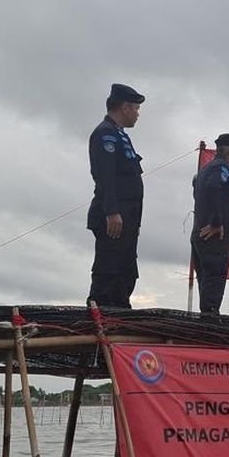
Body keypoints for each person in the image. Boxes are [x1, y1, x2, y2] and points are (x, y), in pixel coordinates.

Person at [87, 83, 145, 308]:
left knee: (126, 269)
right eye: (136, 109)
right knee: (108, 268)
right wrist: (111, 211)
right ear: (125, 107)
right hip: (114, 216)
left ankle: (120, 310)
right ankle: (100, 313)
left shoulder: (119, 135)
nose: (137, 114)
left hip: (129, 216)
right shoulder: (105, 135)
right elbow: (105, 176)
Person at [191, 133, 229, 314]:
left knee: (207, 282)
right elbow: (214, 187)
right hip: (214, 237)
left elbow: (197, 186)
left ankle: (209, 315)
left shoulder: (207, 169)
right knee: (213, 280)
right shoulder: (221, 168)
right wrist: (215, 222)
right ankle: (209, 320)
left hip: (202, 235)